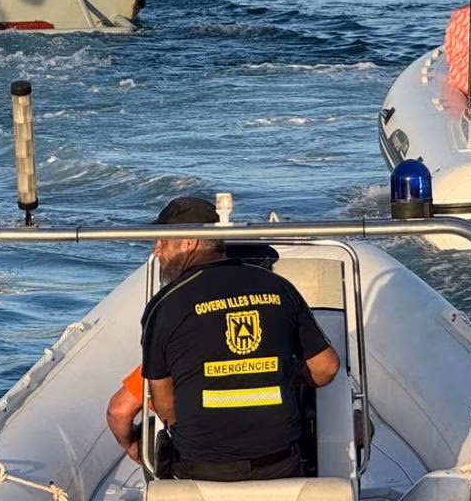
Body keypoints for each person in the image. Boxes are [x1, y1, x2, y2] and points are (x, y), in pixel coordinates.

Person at [140, 196, 339, 482]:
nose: (157, 251)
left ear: (189, 242)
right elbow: (326, 368)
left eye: (162, 241)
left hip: (203, 469)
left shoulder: (164, 305)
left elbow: (165, 406)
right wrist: (287, 372)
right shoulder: (278, 287)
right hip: (278, 465)